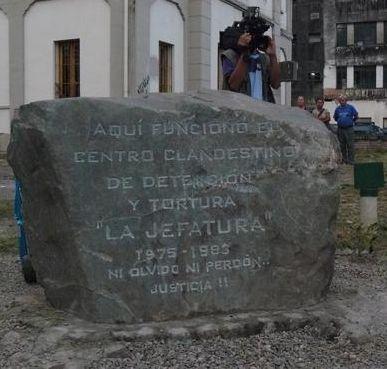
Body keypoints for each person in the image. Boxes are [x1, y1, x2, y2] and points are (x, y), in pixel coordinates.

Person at [221, 33, 280, 103]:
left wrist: (273, 56)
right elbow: (234, 85)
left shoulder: (264, 58)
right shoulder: (230, 55)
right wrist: (245, 52)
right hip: (241, 109)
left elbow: (276, 84)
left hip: (263, 110)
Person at [333, 95, 358, 165]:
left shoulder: (351, 107)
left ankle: (351, 161)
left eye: (343, 100)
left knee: (350, 145)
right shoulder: (337, 109)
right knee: (342, 145)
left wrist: (351, 121)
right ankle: (344, 160)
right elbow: (335, 118)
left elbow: (356, 115)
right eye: (341, 100)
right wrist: (341, 121)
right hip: (340, 129)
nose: (342, 101)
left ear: (346, 100)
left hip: (349, 129)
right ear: (339, 101)